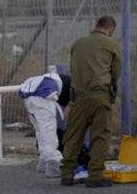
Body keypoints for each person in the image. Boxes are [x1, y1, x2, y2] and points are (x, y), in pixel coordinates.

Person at [60, 15, 121, 188]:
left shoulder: (78, 44)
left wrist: (72, 101)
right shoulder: (112, 45)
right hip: (100, 96)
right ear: (110, 29)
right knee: (100, 136)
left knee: (73, 136)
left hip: (78, 97)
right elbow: (115, 73)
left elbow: (73, 70)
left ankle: (66, 175)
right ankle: (95, 176)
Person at [18, 65, 63, 178]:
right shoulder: (63, 82)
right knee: (48, 131)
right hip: (43, 97)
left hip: (29, 97)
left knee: (40, 130)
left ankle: (43, 162)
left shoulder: (43, 78)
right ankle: (53, 165)